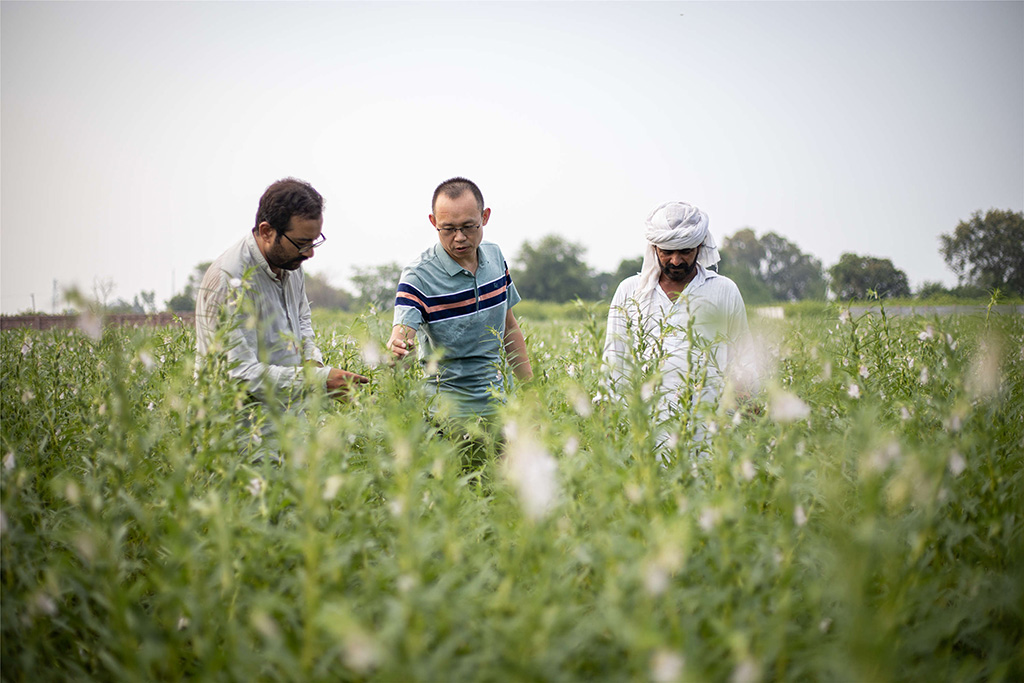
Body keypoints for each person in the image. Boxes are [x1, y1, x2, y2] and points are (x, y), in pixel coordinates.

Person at [195, 177, 368, 406]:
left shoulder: (291, 265)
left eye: (314, 242)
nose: (309, 254)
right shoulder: (230, 281)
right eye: (302, 243)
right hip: (237, 431)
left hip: (285, 423)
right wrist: (317, 381)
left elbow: (302, 320)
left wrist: (312, 362)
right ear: (267, 231)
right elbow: (239, 374)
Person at [603, 201, 751, 448]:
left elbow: (743, 355)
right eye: (667, 252)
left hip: (710, 430)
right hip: (644, 430)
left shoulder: (723, 290)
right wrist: (608, 418)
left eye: (685, 251)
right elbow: (613, 361)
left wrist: (746, 401)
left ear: (700, 247)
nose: (676, 260)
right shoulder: (630, 292)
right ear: (653, 249)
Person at [387, 176, 532, 426]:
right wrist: (397, 346)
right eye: (448, 228)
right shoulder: (418, 276)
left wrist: (531, 393)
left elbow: (509, 328)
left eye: (468, 226)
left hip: (500, 407)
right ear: (433, 223)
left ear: (484, 217)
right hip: (446, 416)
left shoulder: (495, 257)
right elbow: (401, 335)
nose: (460, 238)